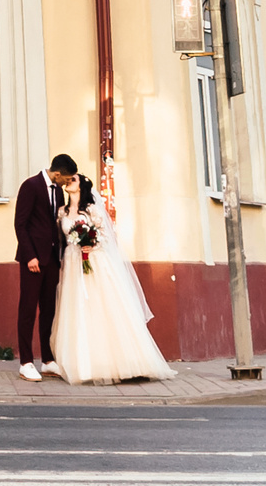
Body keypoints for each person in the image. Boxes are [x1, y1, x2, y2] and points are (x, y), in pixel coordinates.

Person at [51, 159, 174, 383]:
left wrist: (90, 243)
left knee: (101, 307)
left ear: (81, 186)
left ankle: (123, 361)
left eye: (74, 179)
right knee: (77, 308)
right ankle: (82, 363)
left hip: (94, 262)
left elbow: (105, 236)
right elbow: (61, 240)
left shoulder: (91, 211)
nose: (69, 181)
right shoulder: (62, 212)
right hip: (71, 263)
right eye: (69, 179)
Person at [11, 154, 83, 380]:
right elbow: (20, 224)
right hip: (33, 260)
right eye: (67, 178)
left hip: (52, 258)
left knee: (49, 310)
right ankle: (25, 362)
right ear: (58, 173)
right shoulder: (30, 186)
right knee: (28, 310)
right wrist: (30, 256)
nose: (67, 183)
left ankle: (48, 359)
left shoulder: (58, 190)